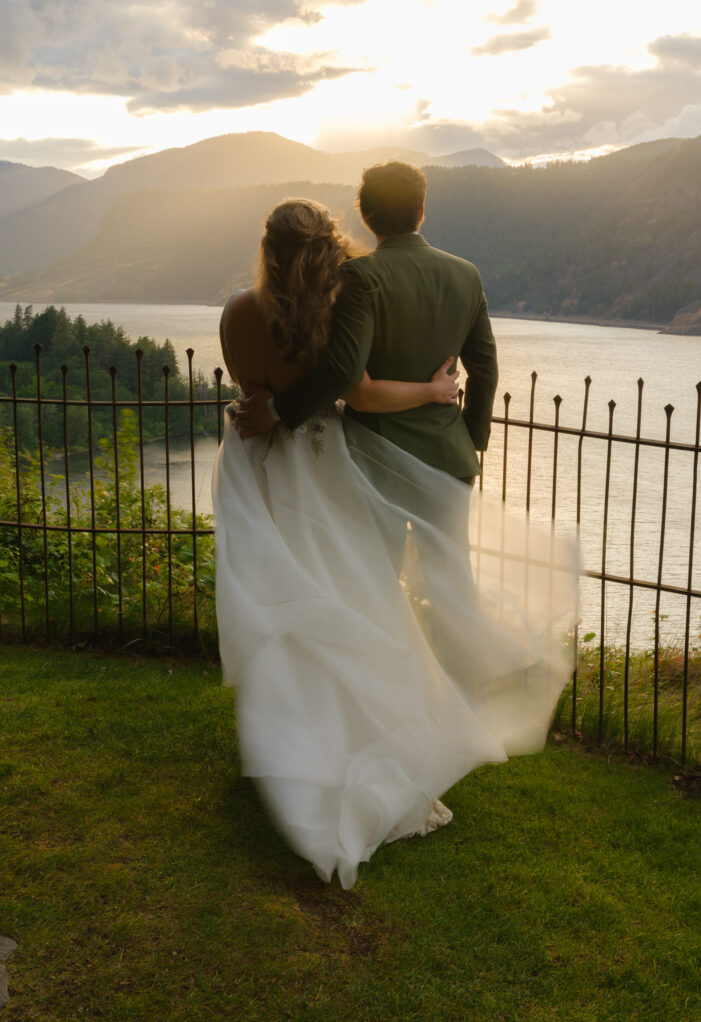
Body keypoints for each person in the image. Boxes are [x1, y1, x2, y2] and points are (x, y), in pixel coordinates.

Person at [214, 194, 578, 890]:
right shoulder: (333, 317)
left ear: (266, 249)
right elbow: (359, 395)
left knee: (284, 609)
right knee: (350, 603)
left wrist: (264, 409)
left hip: (255, 467)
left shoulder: (236, 313)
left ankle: (285, 744)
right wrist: (441, 393)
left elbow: (251, 394)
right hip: (319, 469)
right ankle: (359, 738)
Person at [232, 161, 497, 487]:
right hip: (451, 456)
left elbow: (345, 370)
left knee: (378, 542)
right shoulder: (467, 274)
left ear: (365, 214)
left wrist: (274, 411)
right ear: (422, 210)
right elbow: (485, 370)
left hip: (377, 456)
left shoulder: (359, 275)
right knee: (451, 543)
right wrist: (469, 441)